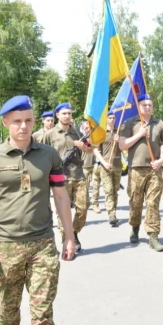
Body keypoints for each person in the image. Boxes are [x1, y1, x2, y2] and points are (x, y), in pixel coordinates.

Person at [0, 95, 75, 325]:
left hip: (43, 244)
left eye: (28, 120)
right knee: (8, 314)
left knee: (42, 314)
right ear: (5, 122)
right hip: (6, 248)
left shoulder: (49, 155)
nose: (23, 126)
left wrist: (69, 237)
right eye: (17, 121)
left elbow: (61, 196)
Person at [119, 94, 163, 252]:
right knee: (136, 202)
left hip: (154, 169)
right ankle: (135, 226)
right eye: (144, 105)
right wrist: (139, 135)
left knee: (153, 202)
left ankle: (153, 236)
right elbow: (122, 145)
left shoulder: (159, 123)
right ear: (138, 107)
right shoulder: (130, 123)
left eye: (150, 105)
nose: (147, 107)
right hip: (136, 169)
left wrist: (161, 160)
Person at [42, 102, 93, 253]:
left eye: (69, 113)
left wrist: (83, 147)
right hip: (59, 179)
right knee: (62, 212)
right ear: (57, 115)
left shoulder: (77, 132)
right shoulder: (49, 135)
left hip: (78, 175)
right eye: (64, 113)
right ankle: (67, 240)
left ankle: (74, 232)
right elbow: (42, 155)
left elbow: (90, 150)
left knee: (83, 208)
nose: (67, 116)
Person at [93, 110, 123, 225]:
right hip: (105, 166)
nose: (112, 120)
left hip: (117, 165)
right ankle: (111, 214)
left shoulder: (119, 131)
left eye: (113, 118)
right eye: (110, 118)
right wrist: (103, 163)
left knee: (115, 190)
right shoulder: (101, 132)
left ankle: (113, 210)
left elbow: (124, 148)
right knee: (108, 189)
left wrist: (119, 140)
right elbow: (96, 150)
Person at [80, 120, 95, 210]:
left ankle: (95, 204)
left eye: (88, 127)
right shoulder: (82, 139)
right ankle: (86, 202)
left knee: (96, 186)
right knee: (86, 186)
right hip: (85, 165)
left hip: (95, 165)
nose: (87, 129)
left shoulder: (95, 138)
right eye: (85, 128)